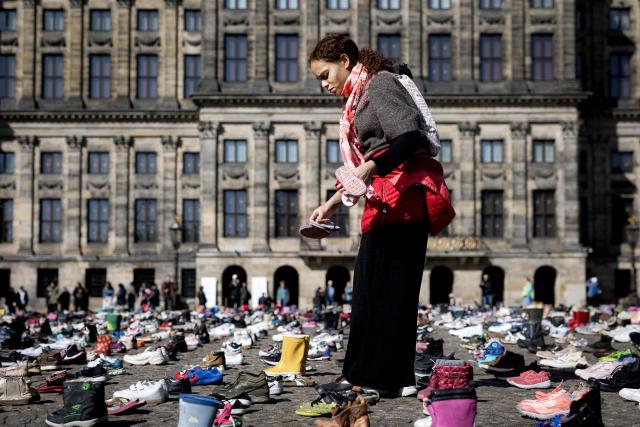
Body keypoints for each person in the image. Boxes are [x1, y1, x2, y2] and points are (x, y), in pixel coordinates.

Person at [308, 34, 451, 394]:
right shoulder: (356, 100)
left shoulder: (380, 84)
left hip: (402, 197)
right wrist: (329, 205)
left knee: (389, 293)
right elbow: (365, 169)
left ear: (344, 60)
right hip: (384, 198)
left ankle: (376, 377)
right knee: (371, 293)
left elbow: (409, 139)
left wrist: (370, 167)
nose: (324, 84)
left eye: (325, 74)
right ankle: (366, 374)